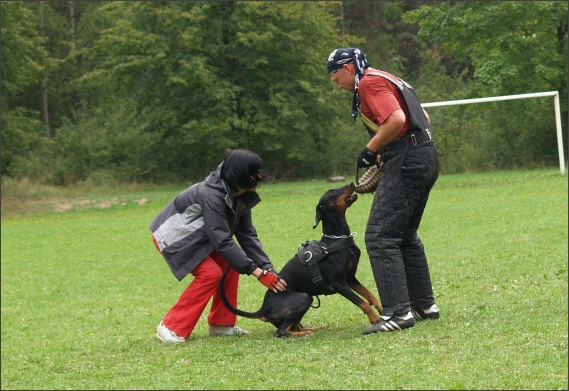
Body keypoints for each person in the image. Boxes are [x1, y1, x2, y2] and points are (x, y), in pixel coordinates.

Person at [326, 47, 440, 334]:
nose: (333, 81)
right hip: (426, 155)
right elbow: (423, 118)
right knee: (405, 234)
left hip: (407, 159)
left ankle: (399, 313)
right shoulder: (388, 76)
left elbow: (398, 120)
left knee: (379, 235)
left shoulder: (368, 82)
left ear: (348, 68)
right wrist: (386, 150)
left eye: (334, 73)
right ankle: (423, 304)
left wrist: (371, 148)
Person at [150, 148, 287, 343]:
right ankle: (171, 326)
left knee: (231, 263)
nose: (259, 176)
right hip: (174, 238)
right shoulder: (212, 195)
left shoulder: (239, 194)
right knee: (211, 273)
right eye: (254, 172)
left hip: (201, 238)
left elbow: (246, 234)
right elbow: (221, 239)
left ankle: (221, 324)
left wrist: (266, 268)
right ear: (239, 174)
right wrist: (256, 272)